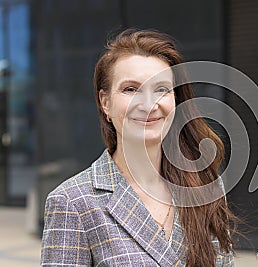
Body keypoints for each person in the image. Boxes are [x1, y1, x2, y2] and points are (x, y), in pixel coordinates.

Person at [40, 29, 236, 266]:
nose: (148, 104)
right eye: (130, 89)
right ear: (106, 103)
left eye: (161, 89)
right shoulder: (72, 202)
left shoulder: (205, 185)